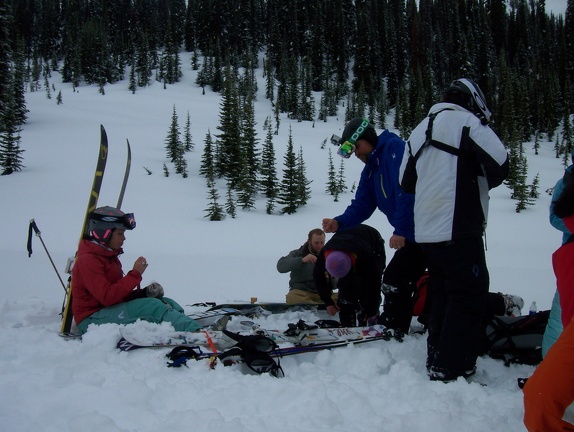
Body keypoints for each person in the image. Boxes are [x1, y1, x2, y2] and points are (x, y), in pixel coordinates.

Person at [399, 78, 509, 382]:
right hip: (459, 227)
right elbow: (501, 163)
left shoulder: (420, 128)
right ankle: (452, 366)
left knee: (442, 294)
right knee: (467, 296)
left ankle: (437, 357)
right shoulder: (467, 122)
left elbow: (405, 182)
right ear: (472, 101)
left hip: (427, 232)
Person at [323, 117, 427, 334]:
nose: (357, 154)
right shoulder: (371, 169)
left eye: (357, 147)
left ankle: (393, 329)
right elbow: (362, 204)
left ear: (368, 137)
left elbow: (407, 191)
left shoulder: (394, 149)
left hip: (427, 230)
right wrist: (339, 222)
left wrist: (402, 230)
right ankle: (396, 327)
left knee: (397, 279)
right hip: (414, 234)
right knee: (399, 279)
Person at [71, 206, 202, 334]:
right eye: (120, 233)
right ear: (103, 233)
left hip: (107, 311)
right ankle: (195, 332)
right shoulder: (88, 261)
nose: (124, 238)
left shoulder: (108, 256)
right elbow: (107, 297)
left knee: (165, 302)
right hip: (91, 320)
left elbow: (117, 295)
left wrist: (143, 293)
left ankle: (183, 325)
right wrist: (135, 275)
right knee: (153, 306)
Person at [313, 224, 385, 327]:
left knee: (364, 283)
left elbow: (374, 283)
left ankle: (366, 314)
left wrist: (371, 311)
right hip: (346, 241)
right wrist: (328, 302)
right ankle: (347, 318)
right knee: (346, 291)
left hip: (372, 242)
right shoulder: (324, 255)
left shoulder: (365, 255)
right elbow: (319, 280)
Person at [541, 147, 574, 357]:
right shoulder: (569, 179)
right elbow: (555, 216)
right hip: (570, 256)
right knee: (560, 316)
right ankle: (550, 364)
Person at [277, 228, 336, 304]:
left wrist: (333, 277)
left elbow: (337, 284)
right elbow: (281, 267)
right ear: (309, 241)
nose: (319, 246)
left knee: (344, 299)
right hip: (301, 293)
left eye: (322, 243)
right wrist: (301, 260)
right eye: (316, 243)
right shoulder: (297, 254)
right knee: (293, 297)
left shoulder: (329, 257)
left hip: (324, 294)